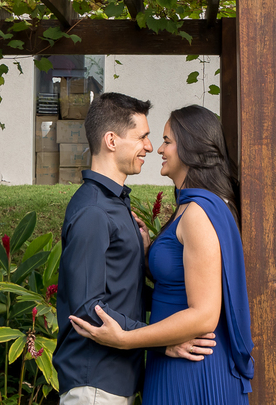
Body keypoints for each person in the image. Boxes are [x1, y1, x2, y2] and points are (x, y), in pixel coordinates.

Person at [70, 104, 253, 404]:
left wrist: (127, 339)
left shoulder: (198, 213)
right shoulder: (187, 207)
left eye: (167, 141)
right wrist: (146, 256)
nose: (158, 149)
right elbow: (180, 280)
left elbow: (205, 315)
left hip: (193, 367)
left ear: (191, 148)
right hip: (171, 357)